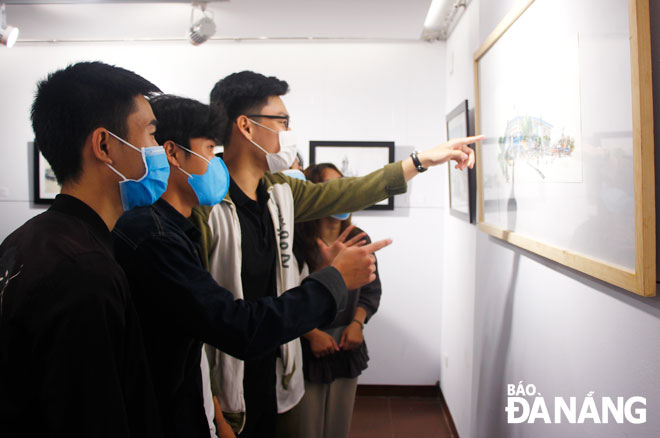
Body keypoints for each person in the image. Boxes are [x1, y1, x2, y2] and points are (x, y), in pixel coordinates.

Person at [193, 70, 482, 438]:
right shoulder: (204, 206)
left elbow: (351, 192)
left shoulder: (280, 191)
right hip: (227, 376)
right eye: (282, 121)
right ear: (246, 127)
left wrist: (421, 160)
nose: (288, 131)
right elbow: (199, 319)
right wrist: (215, 408)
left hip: (275, 368)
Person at [112, 94, 389, 438]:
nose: (216, 163)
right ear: (172, 153)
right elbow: (232, 327)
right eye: (210, 148)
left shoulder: (182, 226)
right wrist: (332, 280)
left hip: (258, 379)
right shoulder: (155, 235)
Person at [0, 61, 164, 437]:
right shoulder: (84, 273)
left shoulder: (26, 239)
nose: (158, 152)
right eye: (152, 136)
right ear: (105, 145)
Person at [295, 163, 382, 438]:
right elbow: (281, 293)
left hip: (346, 340)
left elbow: (371, 289)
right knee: (306, 425)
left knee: (338, 425)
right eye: (331, 188)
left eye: (343, 185)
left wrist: (357, 324)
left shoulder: (359, 238)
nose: (340, 193)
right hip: (303, 341)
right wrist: (311, 335)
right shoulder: (296, 239)